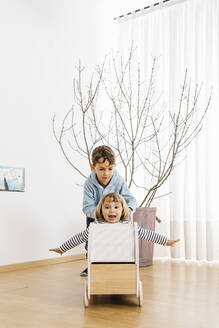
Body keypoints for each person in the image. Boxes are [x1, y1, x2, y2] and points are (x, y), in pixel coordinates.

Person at [49, 192, 180, 258]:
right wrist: (62, 249)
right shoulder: (96, 226)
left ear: (123, 210)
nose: (111, 210)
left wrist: (166, 241)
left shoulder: (128, 225)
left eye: (116, 207)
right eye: (107, 207)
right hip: (101, 258)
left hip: (123, 257)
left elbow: (147, 234)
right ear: (101, 210)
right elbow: (79, 238)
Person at [80, 145, 137, 276]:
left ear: (114, 166)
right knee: (91, 243)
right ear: (93, 167)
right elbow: (86, 207)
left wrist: (127, 210)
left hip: (115, 218)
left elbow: (131, 200)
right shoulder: (89, 184)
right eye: (101, 169)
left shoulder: (119, 180)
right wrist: (100, 213)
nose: (106, 173)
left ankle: (119, 265)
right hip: (95, 217)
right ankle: (91, 265)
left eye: (110, 169)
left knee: (116, 242)